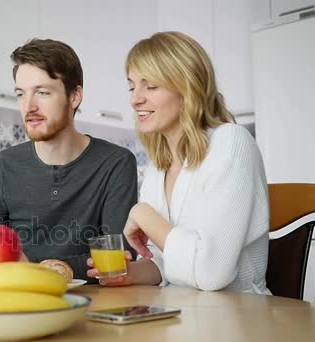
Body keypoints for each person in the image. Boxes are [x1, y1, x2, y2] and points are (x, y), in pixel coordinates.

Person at [87, 31, 271, 294]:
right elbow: (163, 261)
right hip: (184, 315)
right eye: (132, 86)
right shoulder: (158, 167)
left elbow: (210, 274)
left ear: (188, 88)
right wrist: (128, 273)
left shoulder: (231, 142)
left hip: (240, 320)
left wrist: (143, 214)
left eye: (150, 86)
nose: (134, 98)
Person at [0, 38, 138, 282]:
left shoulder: (116, 163)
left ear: (74, 96)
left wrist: (40, 267)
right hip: (22, 301)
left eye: (42, 93)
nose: (28, 106)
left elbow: (118, 257)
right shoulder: (1, 167)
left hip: (97, 303)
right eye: (21, 94)